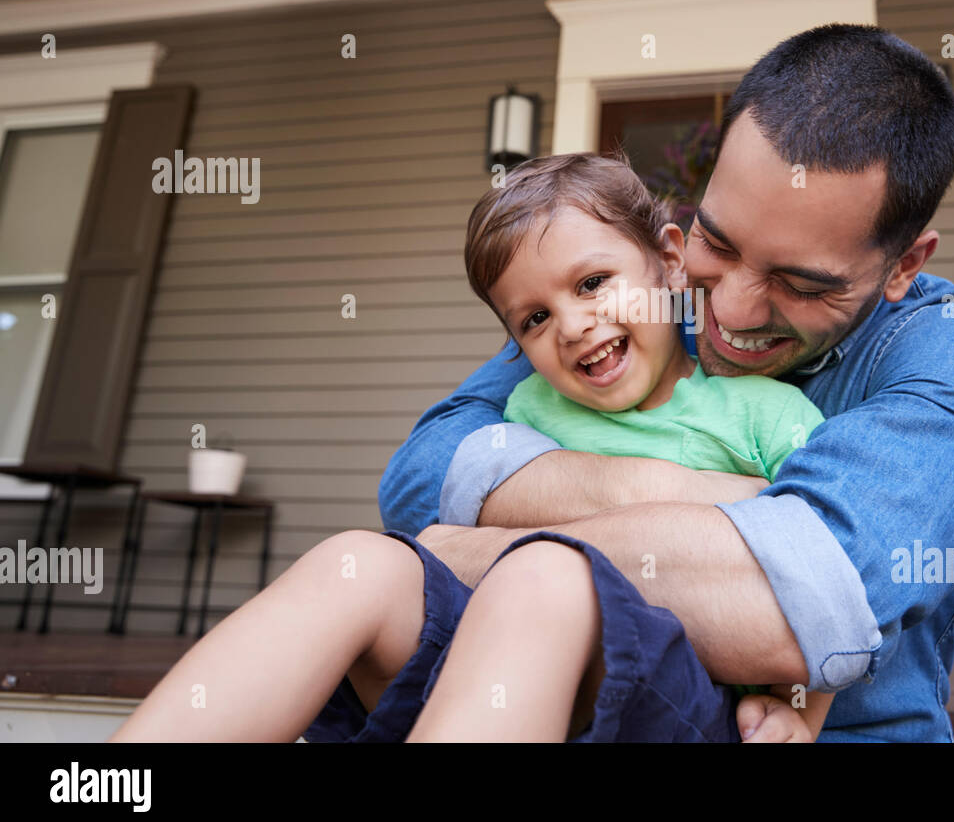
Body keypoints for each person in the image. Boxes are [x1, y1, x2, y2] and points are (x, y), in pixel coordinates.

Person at [381, 23, 954, 742]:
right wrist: (732, 503)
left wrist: (471, 551)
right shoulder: (639, 309)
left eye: (798, 283)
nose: (725, 311)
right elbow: (422, 476)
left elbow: (802, 603)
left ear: (904, 266)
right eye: (717, 244)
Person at [110, 153, 829, 743]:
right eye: (535, 317)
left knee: (545, 568)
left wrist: (801, 709)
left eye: (593, 283)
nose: (574, 325)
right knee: (355, 562)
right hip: (502, 677)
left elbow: (839, 575)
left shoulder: (766, 416)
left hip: (676, 697)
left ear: (671, 263)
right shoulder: (523, 410)